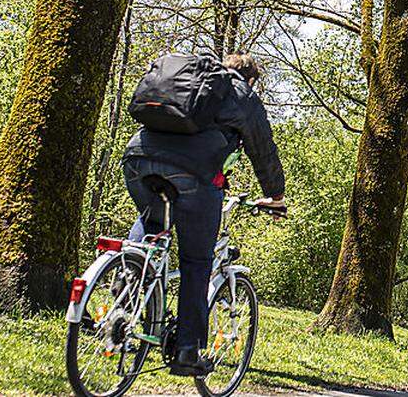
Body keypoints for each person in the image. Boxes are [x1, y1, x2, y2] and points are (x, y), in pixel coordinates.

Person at [122, 51, 285, 376]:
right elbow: (262, 150)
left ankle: (123, 290)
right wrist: (275, 196)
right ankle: (186, 351)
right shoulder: (243, 94)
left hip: (137, 159)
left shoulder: (187, 81)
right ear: (250, 78)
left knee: (152, 225)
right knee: (197, 262)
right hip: (194, 174)